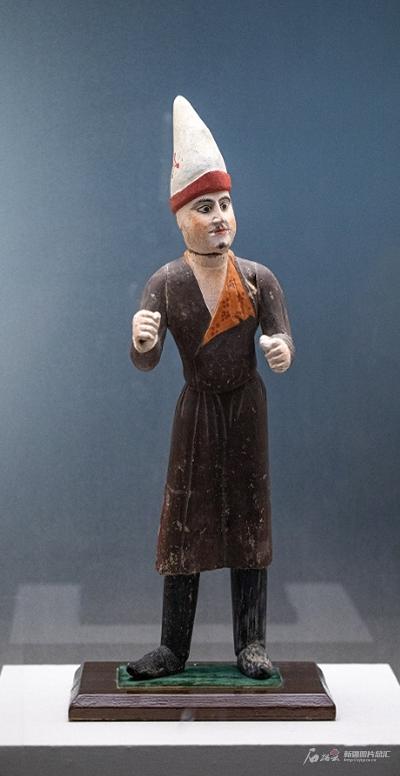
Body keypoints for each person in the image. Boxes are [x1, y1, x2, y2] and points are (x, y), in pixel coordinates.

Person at [128, 96, 294, 680]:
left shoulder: (257, 278)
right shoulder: (166, 283)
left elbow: (281, 338)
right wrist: (142, 340)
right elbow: (146, 361)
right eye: (205, 207)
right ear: (181, 219)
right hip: (196, 412)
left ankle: (252, 643)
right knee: (185, 522)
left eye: (225, 203)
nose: (220, 216)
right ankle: (173, 647)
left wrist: (281, 349)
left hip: (246, 408)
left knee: (250, 519)